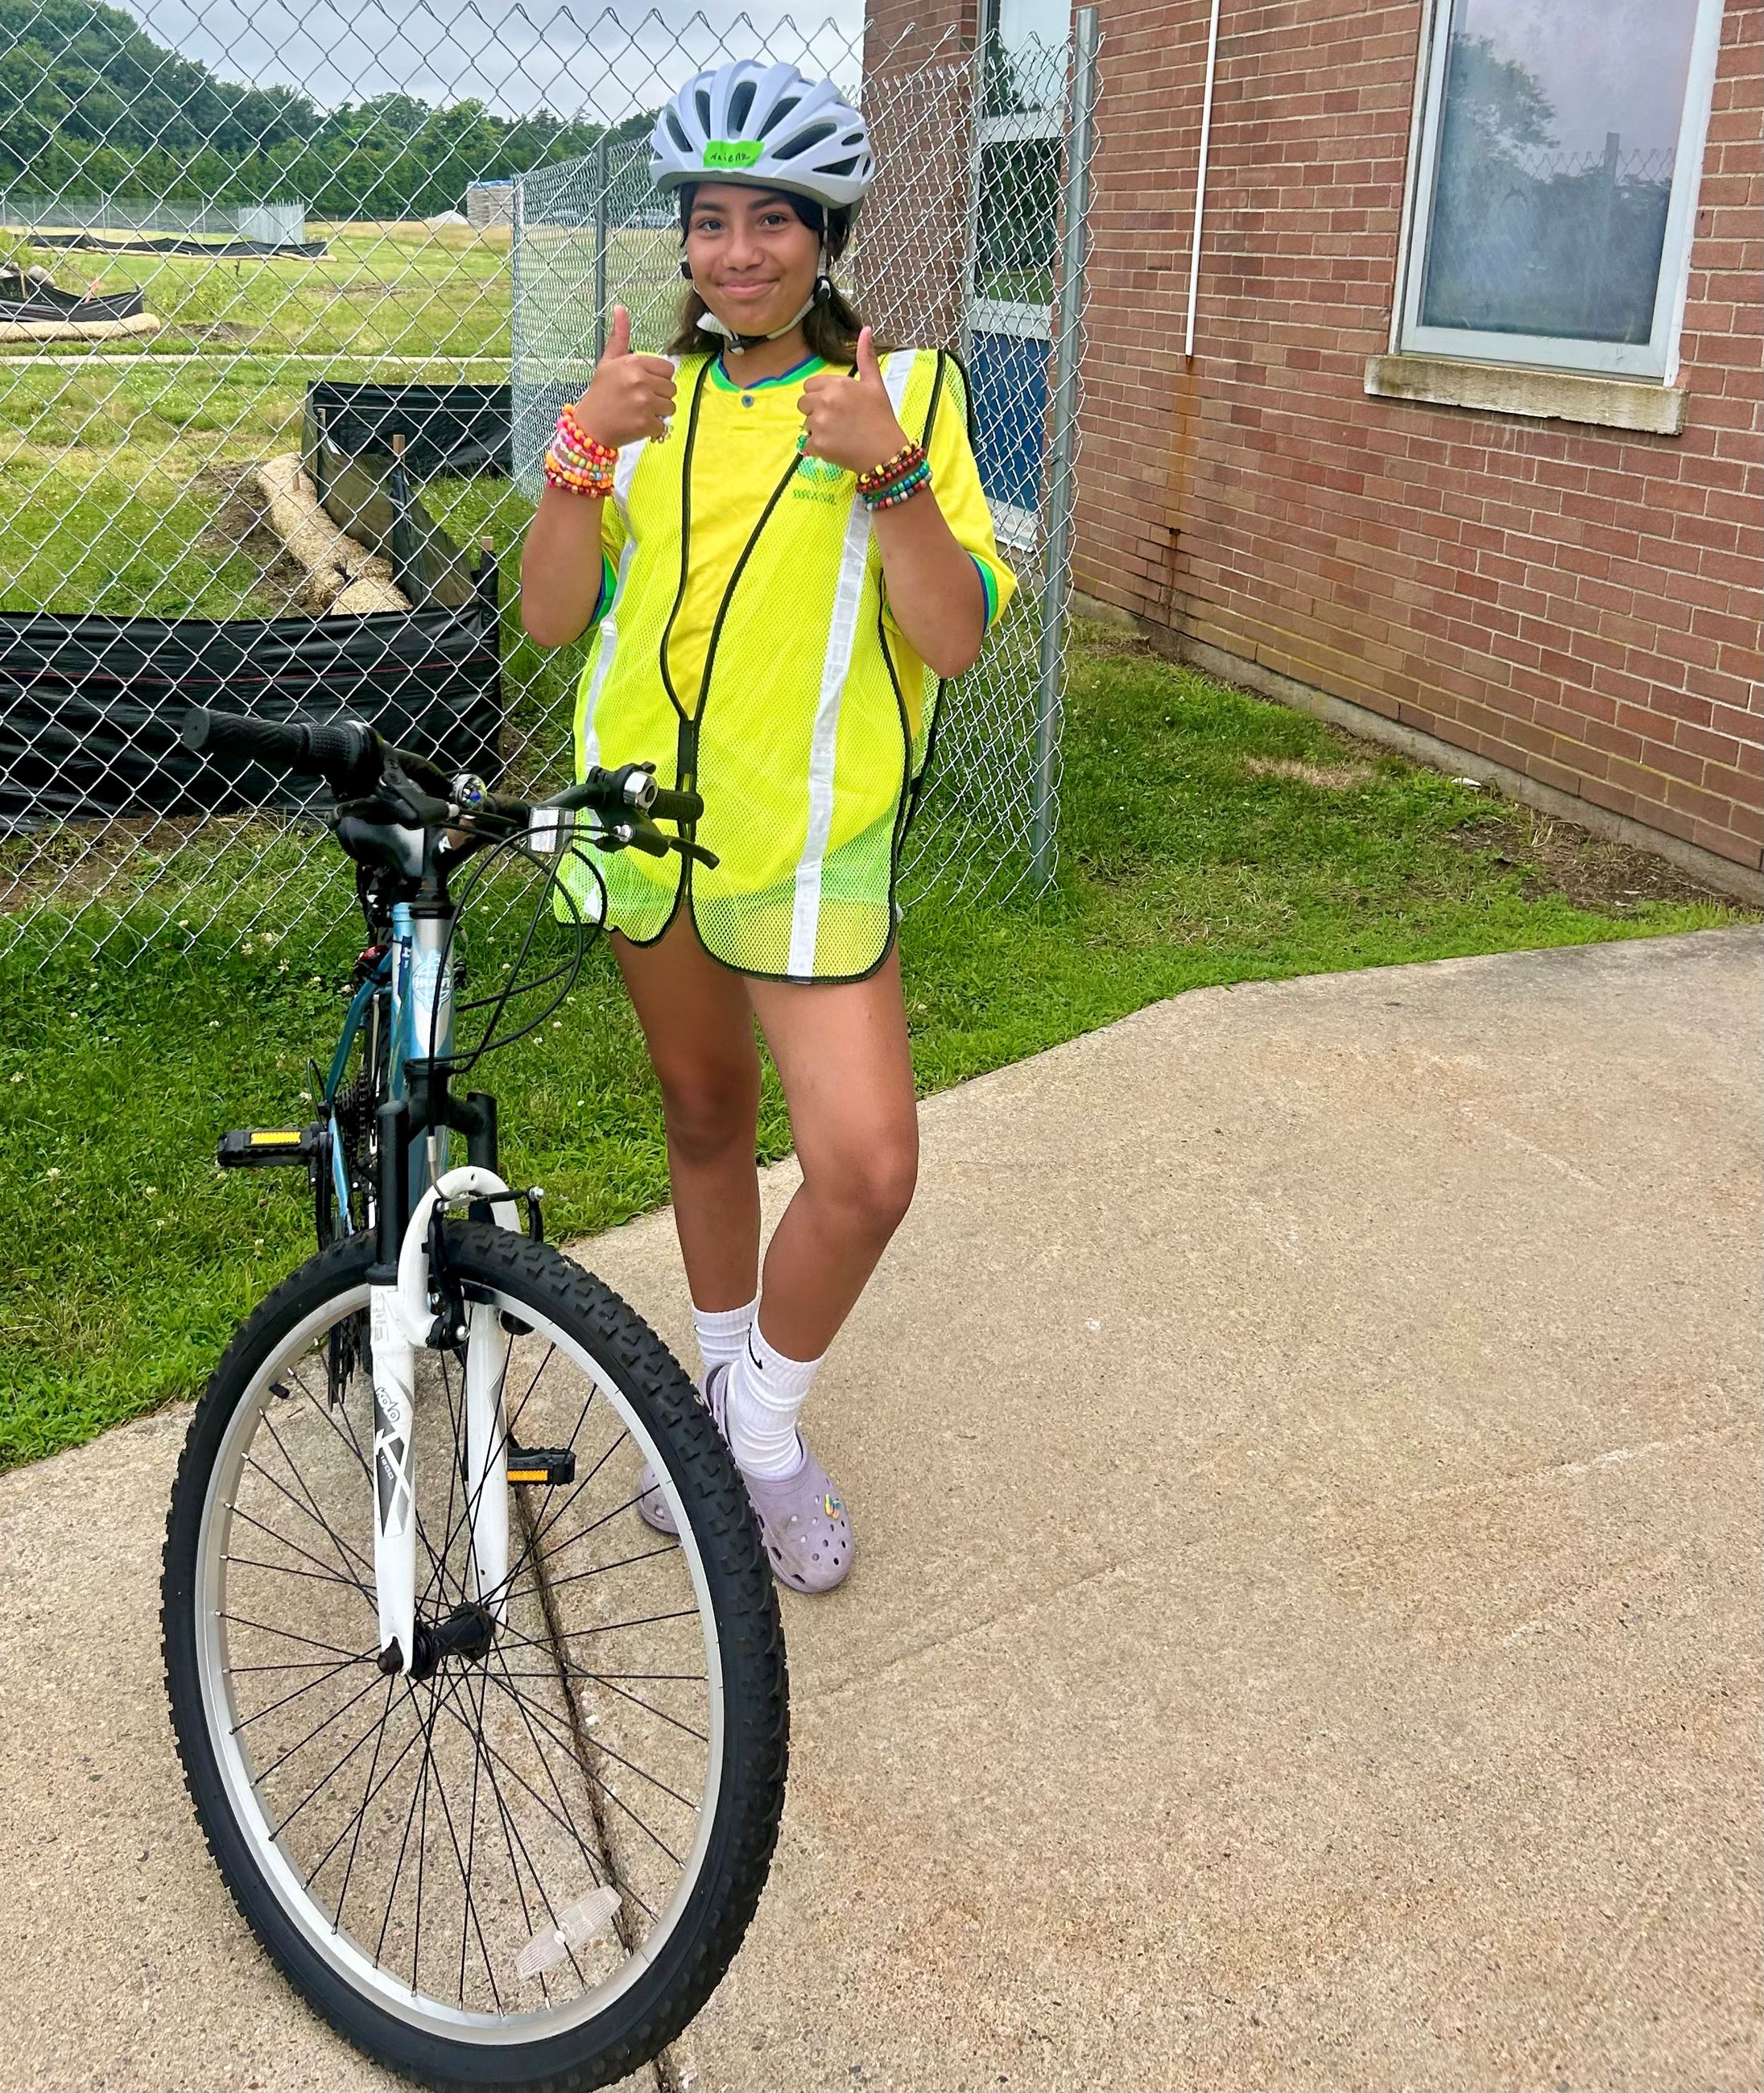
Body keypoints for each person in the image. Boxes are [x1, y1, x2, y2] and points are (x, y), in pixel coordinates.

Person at [519, 59, 1014, 1593]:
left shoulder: (905, 391)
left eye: (773, 224)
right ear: (682, 242)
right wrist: (581, 454)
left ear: (824, 233)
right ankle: (725, 1417)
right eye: (710, 223)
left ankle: (755, 1421)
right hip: (640, 829)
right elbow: (548, 624)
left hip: (805, 847)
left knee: (865, 1166)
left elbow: (955, 641)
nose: (738, 253)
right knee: (704, 1117)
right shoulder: (634, 405)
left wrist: (892, 472)